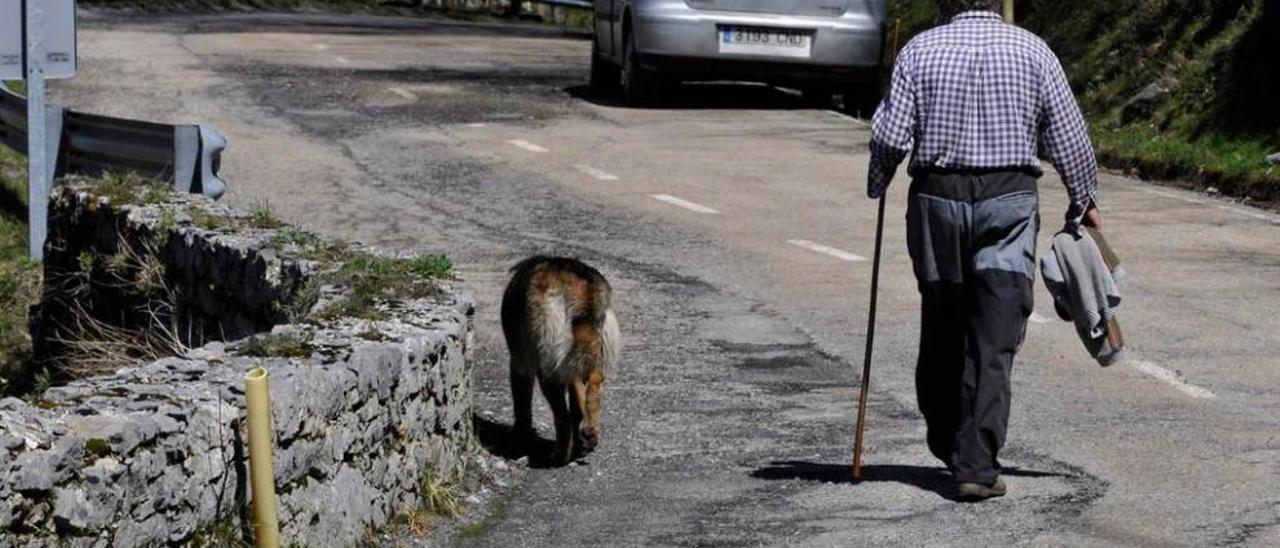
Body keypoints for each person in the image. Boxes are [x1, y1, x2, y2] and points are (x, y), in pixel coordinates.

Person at [867, 0, 1104, 501]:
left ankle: (946, 435)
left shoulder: (920, 50)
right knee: (994, 335)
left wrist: (879, 177)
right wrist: (1083, 201)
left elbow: (889, 136)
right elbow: (1070, 137)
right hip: (1009, 202)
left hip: (938, 201)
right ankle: (975, 463)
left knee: (944, 319)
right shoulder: (1034, 51)